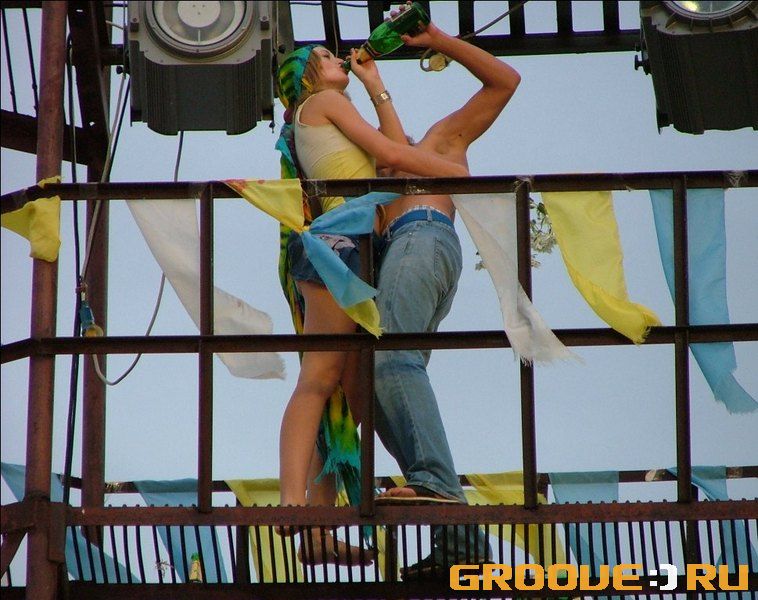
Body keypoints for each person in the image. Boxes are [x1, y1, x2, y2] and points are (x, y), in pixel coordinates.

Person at [274, 43, 468, 563]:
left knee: (350, 398)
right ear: (308, 75)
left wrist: (374, 83)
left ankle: (317, 528)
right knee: (319, 379)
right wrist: (453, 175)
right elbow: (396, 157)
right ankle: (292, 505)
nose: (338, 58)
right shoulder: (321, 103)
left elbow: (391, 150)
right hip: (337, 244)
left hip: (360, 251)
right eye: (326, 56)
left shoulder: (335, 107)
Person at [371, 22, 521, 579]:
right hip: (407, 254)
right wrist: (373, 84)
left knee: (393, 362)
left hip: (423, 238)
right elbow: (385, 147)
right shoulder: (378, 189)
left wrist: (437, 40)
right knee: (380, 385)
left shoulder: (436, 144)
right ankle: (458, 539)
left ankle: (434, 483)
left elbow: (504, 81)